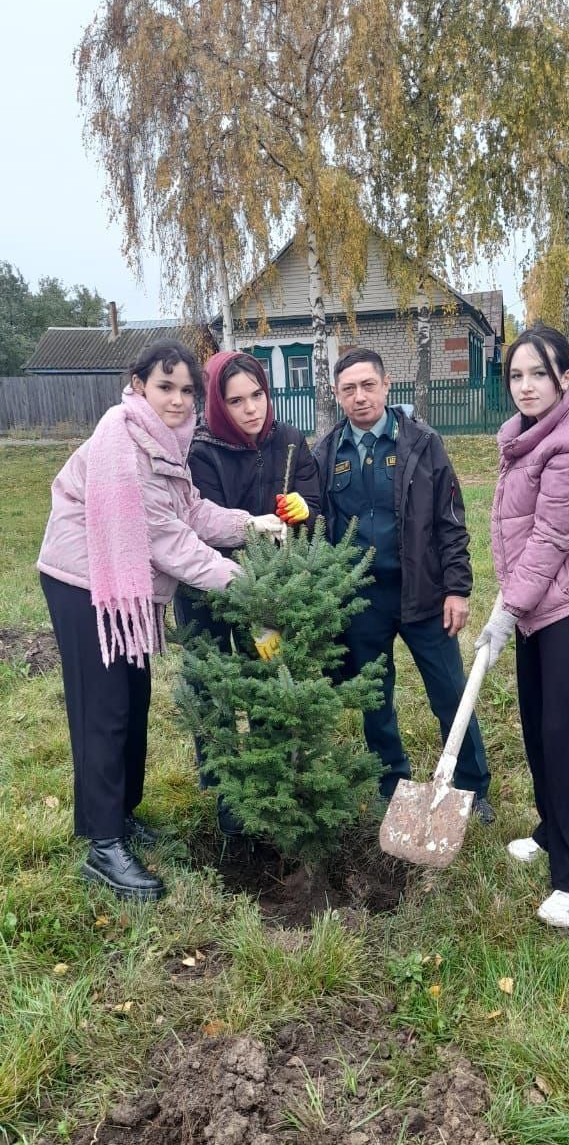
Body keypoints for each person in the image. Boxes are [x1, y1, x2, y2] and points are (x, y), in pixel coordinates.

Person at [37, 339, 283, 901]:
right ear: (139, 384)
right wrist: (244, 582)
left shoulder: (167, 442)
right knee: (105, 709)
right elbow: (170, 542)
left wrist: (252, 524)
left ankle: (119, 816)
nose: (176, 399)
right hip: (86, 583)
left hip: (120, 587)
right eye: (164, 386)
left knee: (133, 699)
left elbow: (190, 511)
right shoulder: (122, 440)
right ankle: (103, 847)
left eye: (186, 389)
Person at [475, 324, 569, 928]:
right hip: (540, 598)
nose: (526, 385)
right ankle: (552, 827)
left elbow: (552, 536)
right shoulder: (525, 433)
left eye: (539, 373)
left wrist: (506, 607)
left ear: (566, 377)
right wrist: (516, 603)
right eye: (516, 375)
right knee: (540, 721)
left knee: (567, 731)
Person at [313, 346, 492, 819]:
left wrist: (457, 589)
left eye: (367, 385)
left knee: (450, 691)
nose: (359, 397)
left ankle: (472, 787)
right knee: (376, 696)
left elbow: (451, 520)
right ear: (336, 394)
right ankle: (391, 782)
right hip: (360, 599)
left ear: (386, 385)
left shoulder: (422, 442)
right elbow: (316, 524)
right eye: (348, 389)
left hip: (423, 593)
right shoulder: (327, 452)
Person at [174, 350, 321, 834]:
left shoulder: (290, 442)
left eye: (257, 395)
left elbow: (314, 505)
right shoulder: (201, 452)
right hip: (208, 595)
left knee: (267, 677)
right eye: (236, 401)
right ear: (219, 406)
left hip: (269, 597)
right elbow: (207, 527)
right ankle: (226, 798)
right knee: (214, 685)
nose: (251, 409)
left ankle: (271, 779)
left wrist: (306, 509)